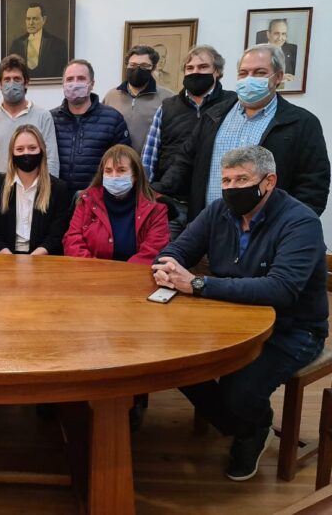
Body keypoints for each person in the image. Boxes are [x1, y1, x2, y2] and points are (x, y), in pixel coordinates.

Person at [152, 146, 328, 481]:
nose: (232, 188)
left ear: (269, 181)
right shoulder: (218, 211)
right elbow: (178, 249)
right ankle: (240, 423)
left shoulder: (300, 222)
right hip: (229, 317)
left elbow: (280, 289)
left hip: (293, 328)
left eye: (242, 179)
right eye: (227, 180)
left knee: (240, 393)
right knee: (178, 367)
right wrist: (166, 266)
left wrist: (199, 284)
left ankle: (254, 427)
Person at [151, 44, 330, 222]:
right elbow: (184, 162)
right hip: (210, 225)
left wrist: (294, 225)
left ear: (278, 77)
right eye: (243, 73)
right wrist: (156, 191)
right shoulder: (213, 116)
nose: (249, 79)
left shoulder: (301, 123)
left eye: (259, 72)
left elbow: (313, 184)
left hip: (268, 230)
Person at [142, 45, 236, 237]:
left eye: (203, 67)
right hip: (173, 202)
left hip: (215, 202)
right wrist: (148, 192)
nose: (195, 72)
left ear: (217, 71)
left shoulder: (232, 105)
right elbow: (150, 156)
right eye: (190, 68)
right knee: (167, 253)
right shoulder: (168, 107)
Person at [63, 144, 169, 264]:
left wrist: (121, 273)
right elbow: (72, 240)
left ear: (135, 176)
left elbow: (153, 251)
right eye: (108, 171)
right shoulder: (87, 200)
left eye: (121, 170)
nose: (114, 176)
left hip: (135, 274)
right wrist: (95, 270)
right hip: (90, 272)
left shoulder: (156, 207)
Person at [0, 55, 59, 193]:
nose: (11, 84)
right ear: (0, 84)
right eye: (7, 79)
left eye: (17, 79)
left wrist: (47, 193)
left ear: (26, 83)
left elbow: (51, 160)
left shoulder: (43, 116)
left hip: (33, 193)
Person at [0, 125, 70, 255]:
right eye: (20, 149)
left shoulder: (58, 188)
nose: (26, 153)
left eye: (32, 148)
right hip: (4, 257)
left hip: (42, 258)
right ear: (12, 153)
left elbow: (56, 235)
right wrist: (9, 258)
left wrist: (33, 259)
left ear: (42, 151)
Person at [51, 59, 130, 197]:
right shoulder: (50, 119)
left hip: (97, 199)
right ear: (63, 84)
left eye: (81, 78)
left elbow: (125, 162)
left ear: (92, 84)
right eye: (69, 79)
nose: (75, 84)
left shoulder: (113, 119)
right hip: (58, 199)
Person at [103, 45, 175, 153]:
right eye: (133, 65)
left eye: (144, 66)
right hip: (117, 161)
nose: (137, 69)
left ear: (153, 68)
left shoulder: (168, 98)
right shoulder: (111, 96)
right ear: (127, 66)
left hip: (151, 160)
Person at [9, 3, 68, 79]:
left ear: (44, 20)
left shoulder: (58, 44)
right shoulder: (16, 44)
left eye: (35, 19)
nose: (31, 23)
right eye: (28, 19)